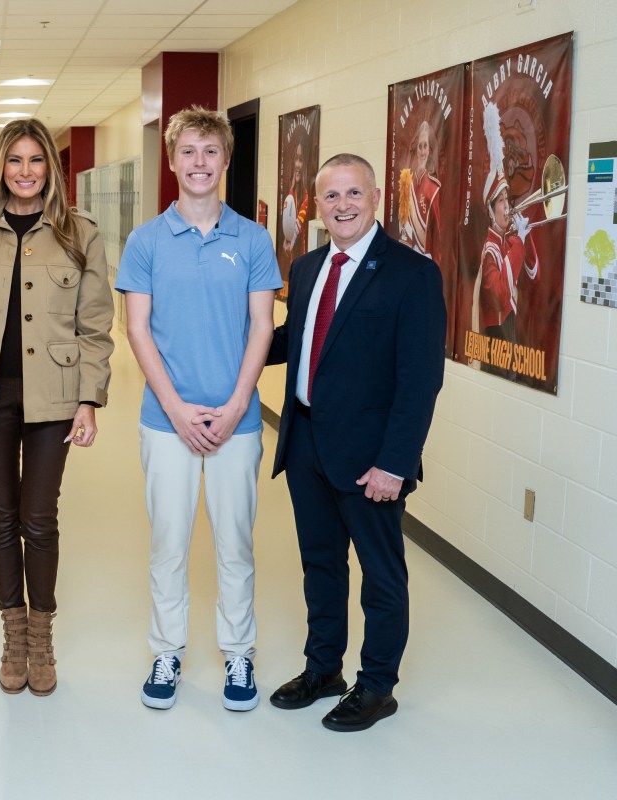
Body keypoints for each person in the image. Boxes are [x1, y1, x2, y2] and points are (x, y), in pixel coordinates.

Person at [265, 153, 445, 732]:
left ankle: (377, 686)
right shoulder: (310, 265)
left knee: (380, 574)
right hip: (307, 442)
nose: (342, 205)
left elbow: (421, 380)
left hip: (371, 458)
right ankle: (324, 670)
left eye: (353, 194)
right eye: (331, 197)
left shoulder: (412, 274)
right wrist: (228, 349)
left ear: (375, 199)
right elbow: (295, 338)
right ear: (318, 206)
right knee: (320, 565)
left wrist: (395, 463)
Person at [0, 117, 114, 697]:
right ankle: (13, 634)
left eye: (37, 161)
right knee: (0, 516)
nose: (26, 172)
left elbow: (95, 324)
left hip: (55, 397)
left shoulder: (79, 233)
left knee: (39, 519)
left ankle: (41, 640)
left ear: (51, 169)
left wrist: (90, 398)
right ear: (0, 167)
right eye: (15, 161)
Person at [115, 105, 280, 713]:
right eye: (188, 151)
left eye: (211, 152)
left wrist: (238, 405)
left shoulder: (253, 239)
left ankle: (239, 654)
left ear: (227, 160)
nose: (200, 163)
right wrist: (178, 410)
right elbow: (138, 332)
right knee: (168, 544)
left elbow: (262, 327)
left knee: (235, 542)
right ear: (172, 160)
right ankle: (167, 650)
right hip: (166, 422)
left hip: (236, 421)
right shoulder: (146, 241)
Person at [475, 166, 539, 376]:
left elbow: (534, 274)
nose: (507, 206)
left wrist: (525, 237)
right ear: (491, 211)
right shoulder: (490, 251)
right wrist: (519, 241)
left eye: (507, 198)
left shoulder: (509, 242)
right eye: (501, 200)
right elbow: (501, 295)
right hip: (496, 342)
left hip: (510, 337)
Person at [398, 120, 441, 259]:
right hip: (406, 252)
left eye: (425, 146)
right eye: (420, 147)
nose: (422, 151)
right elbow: (403, 224)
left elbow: (437, 234)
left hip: (425, 258)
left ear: (429, 150)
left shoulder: (434, 188)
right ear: (416, 150)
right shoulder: (407, 183)